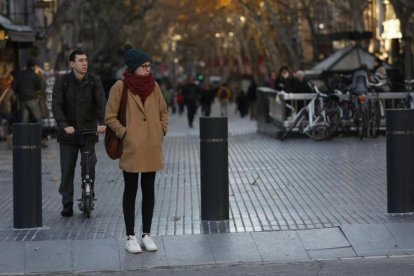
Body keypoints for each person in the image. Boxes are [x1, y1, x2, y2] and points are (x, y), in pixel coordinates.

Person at [105, 45, 168, 254]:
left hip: (152, 145)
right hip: (131, 148)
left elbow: (163, 111)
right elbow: (110, 117)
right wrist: (126, 134)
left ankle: (147, 234)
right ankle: (130, 236)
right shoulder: (120, 87)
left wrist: (161, 130)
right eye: (143, 66)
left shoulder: (154, 86)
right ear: (133, 68)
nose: (148, 70)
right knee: (130, 191)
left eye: (149, 66)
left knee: (149, 191)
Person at [52, 49, 107, 218]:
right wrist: (64, 125)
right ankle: (67, 203)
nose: (85, 63)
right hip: (68, 135)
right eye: (81, 60)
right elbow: (56, 106)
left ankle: (88, 192)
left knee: (89, 166)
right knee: (67, 170)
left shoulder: (93, 81)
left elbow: (102, 103)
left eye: (86, 60)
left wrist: (103, 123)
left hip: (89, 133)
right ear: (72, 64)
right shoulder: (62, 82)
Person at [13, 58, 48, 147]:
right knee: (38, 119)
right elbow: (40, 87)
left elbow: (15, 87)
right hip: (32, 99)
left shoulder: (20, 74)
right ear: (33, 66)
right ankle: (41, 140)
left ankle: (22, 141)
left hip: (22, 99)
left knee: (24, 121)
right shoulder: (34, 75)